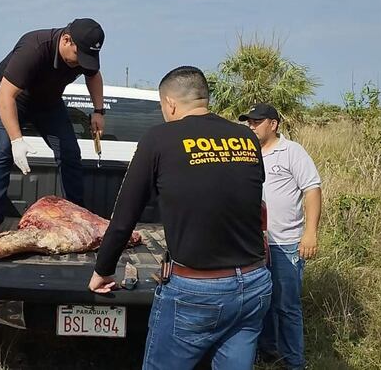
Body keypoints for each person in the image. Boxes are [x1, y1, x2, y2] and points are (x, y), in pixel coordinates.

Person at [89, 66, 272, 370]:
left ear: (170, 103)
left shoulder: (160, 138)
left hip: (196, 293)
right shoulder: (246, 137)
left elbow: (125, 216)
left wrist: (103, 269)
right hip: (253, 285)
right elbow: (251, 200)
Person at [0, 18, 106, 233]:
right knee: (2, 152)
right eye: (79, 57)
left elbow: (93, 76)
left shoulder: (83, 55)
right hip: (15, 99)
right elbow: (5, 95)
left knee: (70, 152)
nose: (80, 64)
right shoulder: (34, 48)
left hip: (49, 104)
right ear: (67, 40)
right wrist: (16, 140)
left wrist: (98, 111)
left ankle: (75, 215)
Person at [241, 103, 322, 370]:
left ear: (273, 124)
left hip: (285, 244)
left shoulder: (292, 152)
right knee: (258, 303)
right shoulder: (246, 153)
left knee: (286, 306)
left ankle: (294, 362)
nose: (251, 126)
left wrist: (309, 233)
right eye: (249, 122)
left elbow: (312, 190)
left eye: (256, 122)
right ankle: (267, 352)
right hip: (253, 244)